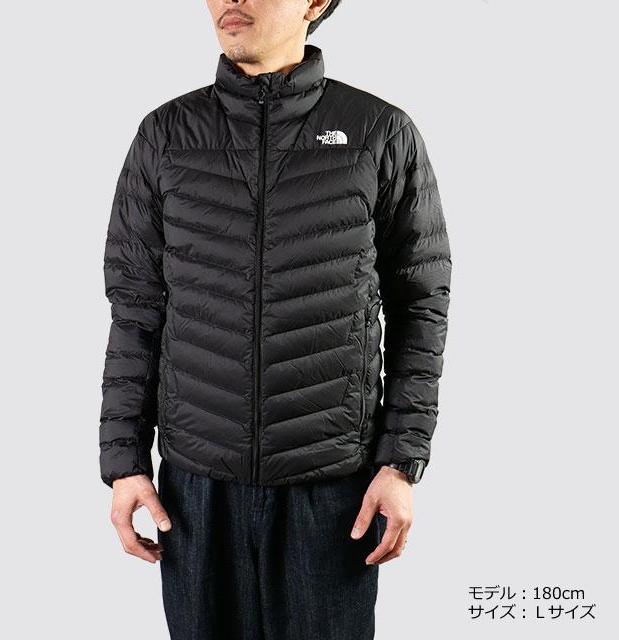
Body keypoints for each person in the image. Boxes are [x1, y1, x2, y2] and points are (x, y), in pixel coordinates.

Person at [99, 1, 452, 638]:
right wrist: (125, 462)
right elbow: (135, 309)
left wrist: (401, 462)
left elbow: (420, 306)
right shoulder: (166, 135)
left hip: (334, 489)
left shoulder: (378, 132)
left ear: (316, 2)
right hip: (196, 492)